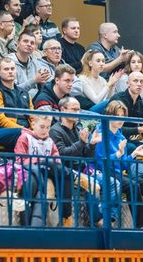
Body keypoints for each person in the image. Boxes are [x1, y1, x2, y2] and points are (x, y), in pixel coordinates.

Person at [94, 100, 143, 229]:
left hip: (118, 173)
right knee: (132, 185)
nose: (120, 119)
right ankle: (142, 225)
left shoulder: (121, 137)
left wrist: (134, 154)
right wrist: (118, 154)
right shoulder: (100, 133)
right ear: (109, 115)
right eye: (117, 116)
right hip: (103, 172)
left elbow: (123, 166)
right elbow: (100, 162)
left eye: (122, 116)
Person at [50, 97, 118, 227]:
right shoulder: (55, 130)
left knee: (114, 183)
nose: (78, 113)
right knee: (93, 185)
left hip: (84, 169)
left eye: (79, 110)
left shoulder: (77, 128)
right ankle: (96, 219)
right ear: (62, 110)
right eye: (74, 109)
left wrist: (91, 144)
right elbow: (62, 154)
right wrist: (81, 142)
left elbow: (87, 155)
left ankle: (108, 218)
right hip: (69, 172)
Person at [14, 114, 74, 227]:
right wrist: (41, 161)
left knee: (65, 178)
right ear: (33, 124)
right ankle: (28, 225)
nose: (45, 130)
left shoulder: (50, 141)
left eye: (48, 127)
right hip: (31, 172)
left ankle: (66, 217)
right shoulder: (25, 138)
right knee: (36, 188)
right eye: (42, 127)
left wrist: (46, 162)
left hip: (47, 173)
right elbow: (21, 160)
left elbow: (57, 161)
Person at [108, 72, 143, 158]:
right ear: (128, 83)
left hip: (129, 140)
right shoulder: (117, 99)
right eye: (135, 81)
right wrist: (138, 129)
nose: (139, 84)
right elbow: (112, 127)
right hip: (113, 139)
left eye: (141, 82)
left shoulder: (142, 105)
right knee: (131, 147)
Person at [0, 57, 33, 151]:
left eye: (12, 69)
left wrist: (35, 130)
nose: (10, 71)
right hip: (3, 131)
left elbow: (33, 116)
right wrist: (23, 130)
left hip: (25, 130)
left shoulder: (24, 93)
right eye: (6, 69)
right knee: (21, 134)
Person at [7, 31, 49, 98]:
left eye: (32, 43)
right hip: (17, 100)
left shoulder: (35, 63)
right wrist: (34, 80)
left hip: (35, 100)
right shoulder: (8, 63)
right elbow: (12, 90)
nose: (29, 44)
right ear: (17, 43)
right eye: (25, 41)